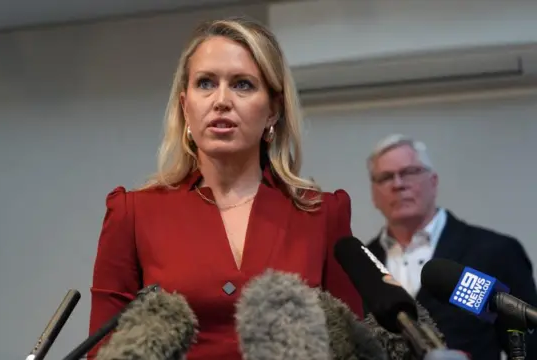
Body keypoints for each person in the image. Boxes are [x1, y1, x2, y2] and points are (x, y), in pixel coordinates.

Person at [87, 17, 363, 360]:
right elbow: (104, 352)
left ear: (273, 109)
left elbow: (352, 346)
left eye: (243, 85)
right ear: (185, 106)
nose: (221, 100)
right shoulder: (133, 214)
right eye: (206, 83)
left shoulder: (322, 214)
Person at [365, 133, 537, 360]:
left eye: (410, 172)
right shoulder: (361, 264)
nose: (398, 184)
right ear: (374, 195)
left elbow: (529, 349)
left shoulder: (493, 252)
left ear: (433, 182)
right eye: (386, 177)